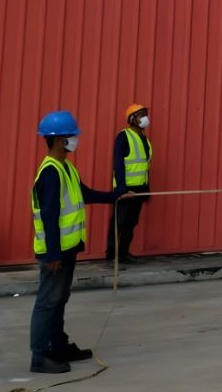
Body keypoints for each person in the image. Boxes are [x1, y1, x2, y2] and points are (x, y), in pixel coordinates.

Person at [30, 111, 131, 374]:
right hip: (56, 251)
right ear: (60, 139)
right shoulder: (51, 172)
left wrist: (116, 196)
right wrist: (53, 253)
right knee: (48, 301)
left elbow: (84, 194)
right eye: (72, 135)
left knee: (60, 299)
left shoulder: (66, 167)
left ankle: (59, 346)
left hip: (68, 247)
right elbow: (50, 216)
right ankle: (40, 357)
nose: (76, 139)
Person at [106, 104, 152, 263]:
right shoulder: (124, 136)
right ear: (132, 119)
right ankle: (112, 255)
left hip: (140, 188)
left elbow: (144, 166)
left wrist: (147, 189)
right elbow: (118, 164)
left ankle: (124, 253)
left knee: (131, 222)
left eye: (145, 114)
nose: (145, 117)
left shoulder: (144, 138)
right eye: (140, 115)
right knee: (119, 221)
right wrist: (121, 189)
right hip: (126, 188)